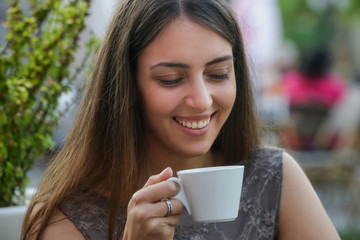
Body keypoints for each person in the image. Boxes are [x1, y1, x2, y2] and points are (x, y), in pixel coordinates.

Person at [22, 0, 340, 239]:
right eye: (172, 79)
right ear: (128, 85)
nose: (201, 100)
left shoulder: (275, 178)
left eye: (218, 74)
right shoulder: (63, 217)